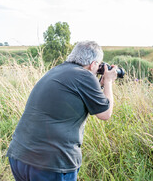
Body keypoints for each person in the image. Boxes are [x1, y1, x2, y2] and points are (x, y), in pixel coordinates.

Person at [6, 41, 117, 181]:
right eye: (98, 65)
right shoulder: (85, 76)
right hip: (50, 165)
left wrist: (97, 86)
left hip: (20, 156)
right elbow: (105, 114)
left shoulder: (57, 70)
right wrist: (108, 82)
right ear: (93, 64)